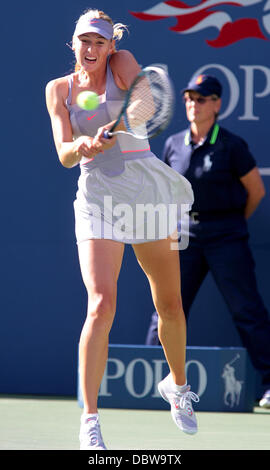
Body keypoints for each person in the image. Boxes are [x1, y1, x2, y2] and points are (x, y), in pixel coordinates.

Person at [45, 9, 199, 450]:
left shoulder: (124, 62)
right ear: (73, 44)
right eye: (84, 41)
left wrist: (120, 122)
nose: (92, 49)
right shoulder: (60, 90)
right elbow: (63, 153)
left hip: (146, 187)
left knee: (169, 303)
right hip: (97, 195)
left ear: (111, 46)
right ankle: (90, 420)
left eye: (100, 42)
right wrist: (83, 144)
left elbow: (145, 105)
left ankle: (177, 385)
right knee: (101, 304)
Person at [145, 73, 270, 410]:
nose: (192, 104)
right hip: (185, 236)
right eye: (189, 98)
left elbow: (255, 192)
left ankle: (269, 383)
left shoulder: (232, 145)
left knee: (247, 310)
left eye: (201, 99)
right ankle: (147, 380)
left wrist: (230, 224)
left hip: (227, 236)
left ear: (216, 104)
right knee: (167, 310)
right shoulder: (173, 144)